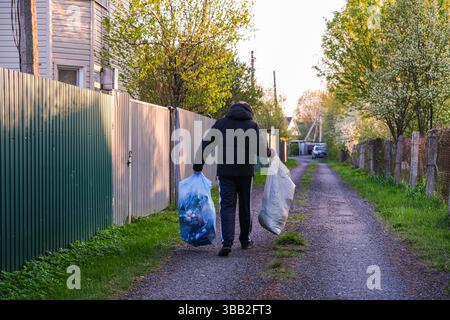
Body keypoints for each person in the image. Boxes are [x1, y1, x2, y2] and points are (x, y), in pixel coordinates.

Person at [193, 101, 270, 257]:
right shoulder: (252, 125)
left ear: (231, 110)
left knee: (227, 206)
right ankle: (245, 241)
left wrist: (198, 164)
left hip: (225, 172)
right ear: (249, 111)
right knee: (245, 205)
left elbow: (206, 143)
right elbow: (262, 151)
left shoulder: (221, 123)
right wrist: (269, 151)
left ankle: (227, 243)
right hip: (245, 173)